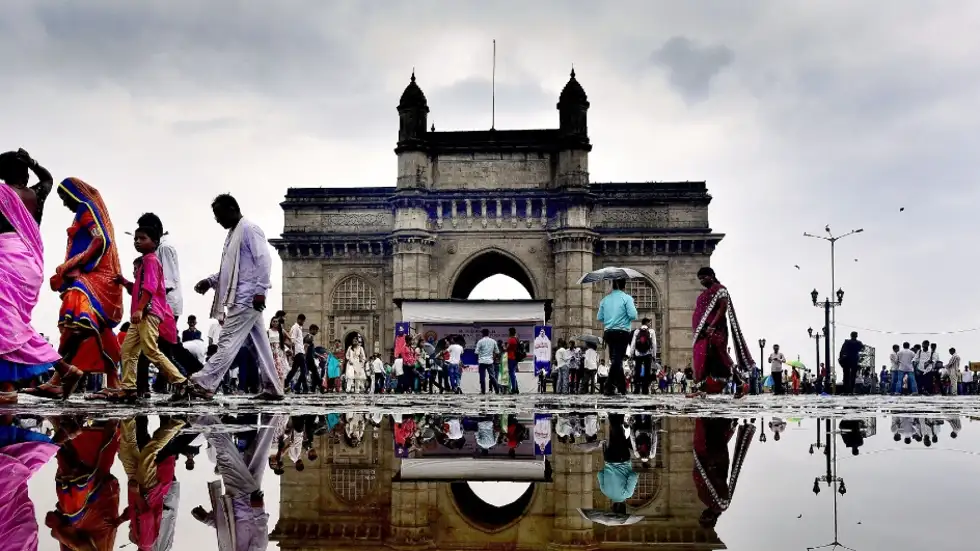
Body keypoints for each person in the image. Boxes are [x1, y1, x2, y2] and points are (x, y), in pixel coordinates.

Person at [27, 178, 123, 400]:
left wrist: (70, 265)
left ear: (74, 195)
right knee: (93, 328)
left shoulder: (85, 209)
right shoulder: (85, 211)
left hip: (92, 279)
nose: (64, 204)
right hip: (96, 280)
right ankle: (109, 383)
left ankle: (60, 379)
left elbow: (100, 240)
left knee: (76, 324)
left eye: (64, 198)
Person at [0, 161, 84, 402]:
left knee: (9, 323)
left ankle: (64, 369)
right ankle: (5, 388)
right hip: (29, 264)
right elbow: (47, 178)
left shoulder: (3, 195)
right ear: (25, 175)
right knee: (8, 324)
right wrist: (31, 163)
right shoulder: (35, 194)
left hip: (6, 259)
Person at [186, 194, 283, 401]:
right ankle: (273, 387)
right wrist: (211, 281)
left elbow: (264, 260)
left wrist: (260, 291)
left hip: (247, 298)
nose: (217, 220)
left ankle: (205, 383)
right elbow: (231, 270)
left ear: (232, 209)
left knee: (227, 340)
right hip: (243, 296)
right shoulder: (233, 234)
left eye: (218, 215)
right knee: (260, 344)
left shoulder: (249, 229)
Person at [111, 225, 188, 402]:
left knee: (151, 350)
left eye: (142, 238)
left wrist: (139, 308)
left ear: (155, 242)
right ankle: (129, 388)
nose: (137, 241)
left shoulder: (151, 260)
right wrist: (124, 282)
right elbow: (138, 289)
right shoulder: (144, 262)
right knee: (127, 350)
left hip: (148, 313)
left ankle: (181, 382)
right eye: (136, 238)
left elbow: (150, 287)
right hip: (140, 316)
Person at [690, 268, 754, 397]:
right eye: (700, 279)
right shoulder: (704, 294)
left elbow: (722, 308)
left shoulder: (720, 290)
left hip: (716, 330)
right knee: (704, 357)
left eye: (704, 277)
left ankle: (741, 384)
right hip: (704, 331)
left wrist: (712, 326)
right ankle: (702, 388)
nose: (702, 281)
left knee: (721, 356)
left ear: (712, 276)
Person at [693, 418, 755, 529]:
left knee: (716, 431)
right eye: (705, 518)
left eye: (701, 517)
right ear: (712, 519)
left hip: (715, 459)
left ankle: (724, 418)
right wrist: (707, 465)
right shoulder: (719, 504)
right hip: (712, 459)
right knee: (712, 430)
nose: (703, 515)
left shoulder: (716, 504)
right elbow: (711, 480)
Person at [596, 278, 637, 395]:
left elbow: (599, 317)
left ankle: (622, 388)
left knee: (616, 360)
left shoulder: (605, 300)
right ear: (623, 285)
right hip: (622, 332)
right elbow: (633, 315)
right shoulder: (627, 298)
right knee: (617, 360)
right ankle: (608, 386)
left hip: (609, 332)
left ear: (613, 285)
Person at [630, 318, 657, 394]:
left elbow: (633, 344)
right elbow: (654, 344)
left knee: (637, 371)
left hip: (638, 354)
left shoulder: (637, 331)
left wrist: (631, 354)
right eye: (649, 322)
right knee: (647, 372)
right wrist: (654, 355)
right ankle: (645, 389)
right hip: (648, 354)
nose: (650, 324)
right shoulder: (651, 331)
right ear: (647, 323)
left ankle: (637, 389)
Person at [475, 329, 500, 395]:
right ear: (489, 334)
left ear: (482, 334)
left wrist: (481, 354)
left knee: (482, 377)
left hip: (482, 361)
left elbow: (476, 352)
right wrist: (493, 358)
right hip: (490, 362)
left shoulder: (480, 341)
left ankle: (483, 391)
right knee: (492, 376)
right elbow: (497, 352)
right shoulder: (493, 341)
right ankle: (497, 390)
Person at [268, 316, 290, 388]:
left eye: (276, 321)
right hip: (271, 352)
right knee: (272, 369)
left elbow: (290, 339)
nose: (275, 323)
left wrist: (288, 348)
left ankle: (281, 387)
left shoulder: (281, 331)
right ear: (271, 322)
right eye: (273, 321)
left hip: (279, 352)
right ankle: (273, 387)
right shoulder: (268, 331)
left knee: (280, 369)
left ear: (278, 323)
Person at [506, 328, 520, 394]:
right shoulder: (516, 339)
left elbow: (507, 348)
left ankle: (513, 389)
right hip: (515, 358)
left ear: (510, 332)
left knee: (511, 373)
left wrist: (504, 347)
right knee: (513, 373)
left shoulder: (511, 339)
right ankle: (516, 389)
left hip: (511, 358)